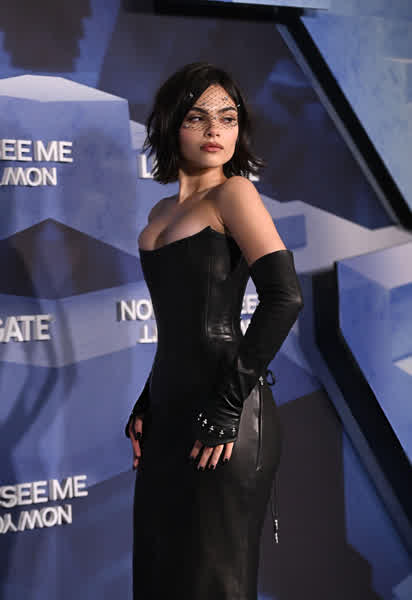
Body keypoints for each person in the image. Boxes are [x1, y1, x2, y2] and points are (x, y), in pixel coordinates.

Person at [124, 61, 303, 600]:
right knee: (159, 575)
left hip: (228, 412)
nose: (214, 131)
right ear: (171, 123)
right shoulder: (160, 210)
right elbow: (180, 327)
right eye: (197, 117)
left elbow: (284, 297)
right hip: (170, 412)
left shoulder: (235, 194)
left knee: (214, 582)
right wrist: (148, 400)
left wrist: (226, 405)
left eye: (227, 118)